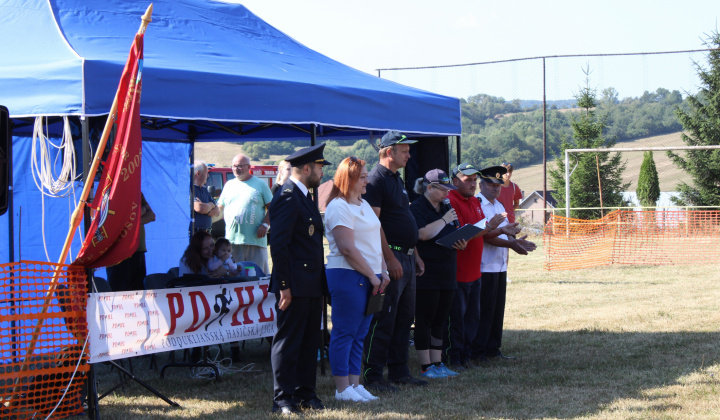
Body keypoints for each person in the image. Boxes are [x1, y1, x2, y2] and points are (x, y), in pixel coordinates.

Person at [268, 143, 331, 415]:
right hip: (293, 284)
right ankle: (283, 399)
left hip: (311, 283)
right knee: (289, 341)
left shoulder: (305, 195)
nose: (321, 172)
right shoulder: (288, 196)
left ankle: (306, 393)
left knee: (309, 342)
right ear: (306, 168)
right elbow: (278, 246)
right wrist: (284, 286)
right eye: (319, 167)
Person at [362, 130, 427, 392]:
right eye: (404, 151)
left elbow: (404, 219)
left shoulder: (397, 180)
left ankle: (399, 371)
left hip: (407, 256)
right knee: (383, 318)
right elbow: (373, 226)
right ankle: (373, 375)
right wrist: (390, 260)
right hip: (391, 258)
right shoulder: (376, 180)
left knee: (404, 318)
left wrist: (416, 254)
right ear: (389, 152)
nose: (409, 155)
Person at [324, 156, 390, 402]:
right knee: (345, 332)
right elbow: (347, 249)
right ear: (349, 178)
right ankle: (342, 388)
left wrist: (382, 271)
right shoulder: (338, 206)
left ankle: (355, 383)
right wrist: (373, 276)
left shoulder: (363, 204)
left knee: (360, 333)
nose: (367, 181)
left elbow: (375, 242)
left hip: (371, 276)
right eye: (362, 177)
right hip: (348, 275)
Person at [443, 163, 516, 371]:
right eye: (469, 180)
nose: (473, 184)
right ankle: (460, 355)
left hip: (481, 267)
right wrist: (492, 228)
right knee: (462, 316)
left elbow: (481, 232)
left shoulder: (479, 202)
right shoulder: (454, 201)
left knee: (480, 314)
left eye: (475, 180)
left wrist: (512, 238)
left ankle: (476, 352)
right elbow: (466, 234)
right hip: (468, 267)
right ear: (455, 181)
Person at [472, 166, 537, 363]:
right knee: (483, 311)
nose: (495, 188)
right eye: (491, 185)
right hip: (484, 265)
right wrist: (510, 242)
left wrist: (515, 238)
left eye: (498, 185)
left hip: (499, 265)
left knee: (496, 310)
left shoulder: (499, 206)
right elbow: (485, 237)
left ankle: (493, 349)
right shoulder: (478, 205)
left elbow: (505, 230)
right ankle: (478, 351)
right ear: (481, 185)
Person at [408, 169, 465, 379]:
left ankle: (438, 362)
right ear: (429, 188)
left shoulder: (445, 207)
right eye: (442, 190)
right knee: (425, 318)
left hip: (447, 269)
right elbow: (422, 234)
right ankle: (425, 366)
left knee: (441, 318)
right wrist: (444, 219)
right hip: (427, 271)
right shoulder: (417, 207)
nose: (447, 195)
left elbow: (454, 231)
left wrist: (461, 240)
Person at [217, 153, 273, 275]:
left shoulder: (260, 184)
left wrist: (265, 224)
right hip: (232, 243)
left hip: (255, 241)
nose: (236, 169)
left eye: (240, 166)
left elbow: (273, 208)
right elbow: (220, 208)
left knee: (258, 276)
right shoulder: (229, 185)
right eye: (234, 166)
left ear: (249, 167)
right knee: (234, 277)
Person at [107, 193, 155, 291]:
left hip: (137, 249)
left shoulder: (137, 192)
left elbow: (152, 216)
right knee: (118, 290)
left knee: (138, 289)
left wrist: (132, 220)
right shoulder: (111, 192)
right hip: (117, 250)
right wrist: (141, 211)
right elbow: (116, 219)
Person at [191, 161, 220, 234]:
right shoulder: (190, 189)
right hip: (195, 234)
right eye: (206, 172)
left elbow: (217, 211)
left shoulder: (204, 190)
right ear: (198, 173)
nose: (208, 175)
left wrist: (206, 209)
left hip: (206, 233)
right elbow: (200, 208)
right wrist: (210, 205)